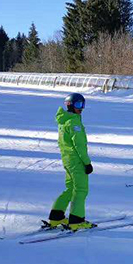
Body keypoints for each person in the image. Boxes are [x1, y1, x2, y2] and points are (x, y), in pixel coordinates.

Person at [47, 93, 96, 231]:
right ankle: (76, 220)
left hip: (67, 161)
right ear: (70, 105)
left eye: (83, 105)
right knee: (81, 189)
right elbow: (79, 145)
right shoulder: (74, 122)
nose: (82, 108)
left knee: (70, 189)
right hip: (77, 161)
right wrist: (87, 163)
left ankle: (56, 216)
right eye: (79, 105)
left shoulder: (64, 121)